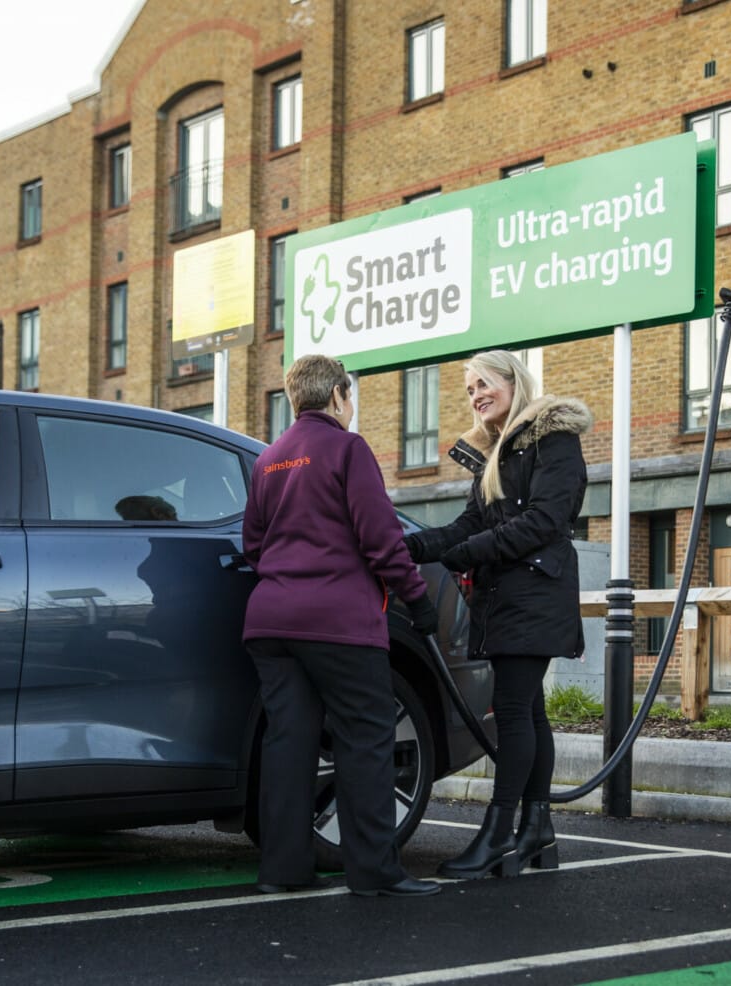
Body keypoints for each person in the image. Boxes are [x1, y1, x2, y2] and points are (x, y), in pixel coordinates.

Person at [242, 354, 441, 899]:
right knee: (366, 738)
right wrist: (417, 599)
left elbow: (254, 546)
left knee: (288, 741)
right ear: (336, 396)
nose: (350, 408)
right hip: (338, 624)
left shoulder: (270, 459)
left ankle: (283, 871)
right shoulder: (347, 449)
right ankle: (375, 873)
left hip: (271, 622)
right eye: (349, 398)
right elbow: (381, 538)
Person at [404, 350, 591, 880]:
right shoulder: (496, 455)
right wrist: (407, 546)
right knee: (529, 712)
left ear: (514, 381)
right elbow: (466, 525)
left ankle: (497, 834)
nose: (476, 395)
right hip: (507, 598)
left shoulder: (554, 439)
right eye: (469, 390)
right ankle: (536, 830)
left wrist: (463, 555)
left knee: (511, 712)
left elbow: (543, 521)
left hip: (535, 595)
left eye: (484, 383)